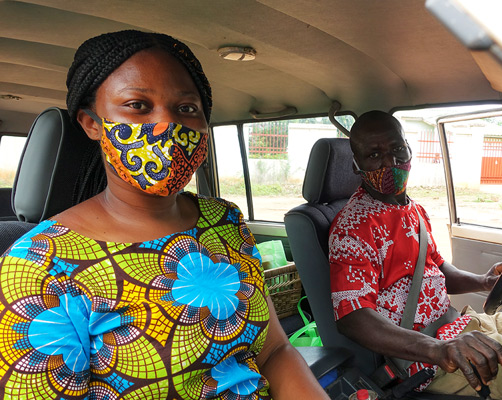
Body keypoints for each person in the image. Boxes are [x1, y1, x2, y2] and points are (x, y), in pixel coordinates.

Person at [0, 30, 328, 400]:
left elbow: (274, 351)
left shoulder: (226, 220)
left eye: (187, 109)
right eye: (138, 105)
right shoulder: (37, 264)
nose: (166, 126)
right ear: (92, 123)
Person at [329, 110, 502, 399]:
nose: (390, 162)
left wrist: (483, 282)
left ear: (409, 148)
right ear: (356, 165)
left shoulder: (413, 210)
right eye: (374, 155)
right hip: (430, 358)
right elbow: (353, 317)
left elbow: (436, 268)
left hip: (464, 326)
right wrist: (439, 348)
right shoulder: (353, 227)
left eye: (397, 149)